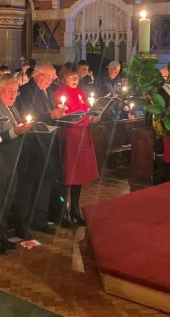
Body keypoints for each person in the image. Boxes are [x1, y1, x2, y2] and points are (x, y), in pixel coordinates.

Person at [0, 74, 33, 254]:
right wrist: (15, 131)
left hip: (11, 163)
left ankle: (1, 235)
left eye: (16, 91)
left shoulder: (11, 107)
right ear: (0, 90)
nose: (13, 94)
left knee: (6, 201)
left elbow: (16, 126)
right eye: (10, 91)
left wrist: (24, 127)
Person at [15, 63, 66, 235]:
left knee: (45, 182)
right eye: (49, 77)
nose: (51, 81)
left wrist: (59, 113)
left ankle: (41, 219)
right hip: (32, 145)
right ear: (37, 75)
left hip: (48, 142)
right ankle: (25, 221)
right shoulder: (25, 92)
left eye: (53, 78)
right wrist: (50, 115)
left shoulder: (49, 91)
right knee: (29, 186)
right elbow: (25, 117)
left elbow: (51, 114)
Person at [54, 66, 100, 226]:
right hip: (70, 136)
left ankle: (75, 209)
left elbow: (84, 111)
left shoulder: (80, 92)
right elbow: (62, 116)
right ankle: (63, 212)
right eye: (71, 76)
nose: (74, 79)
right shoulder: (60, 93)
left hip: (83, 135)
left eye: (76, 76)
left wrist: (92, 117)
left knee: (79, 175)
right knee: (69, 174)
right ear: (64, 77)